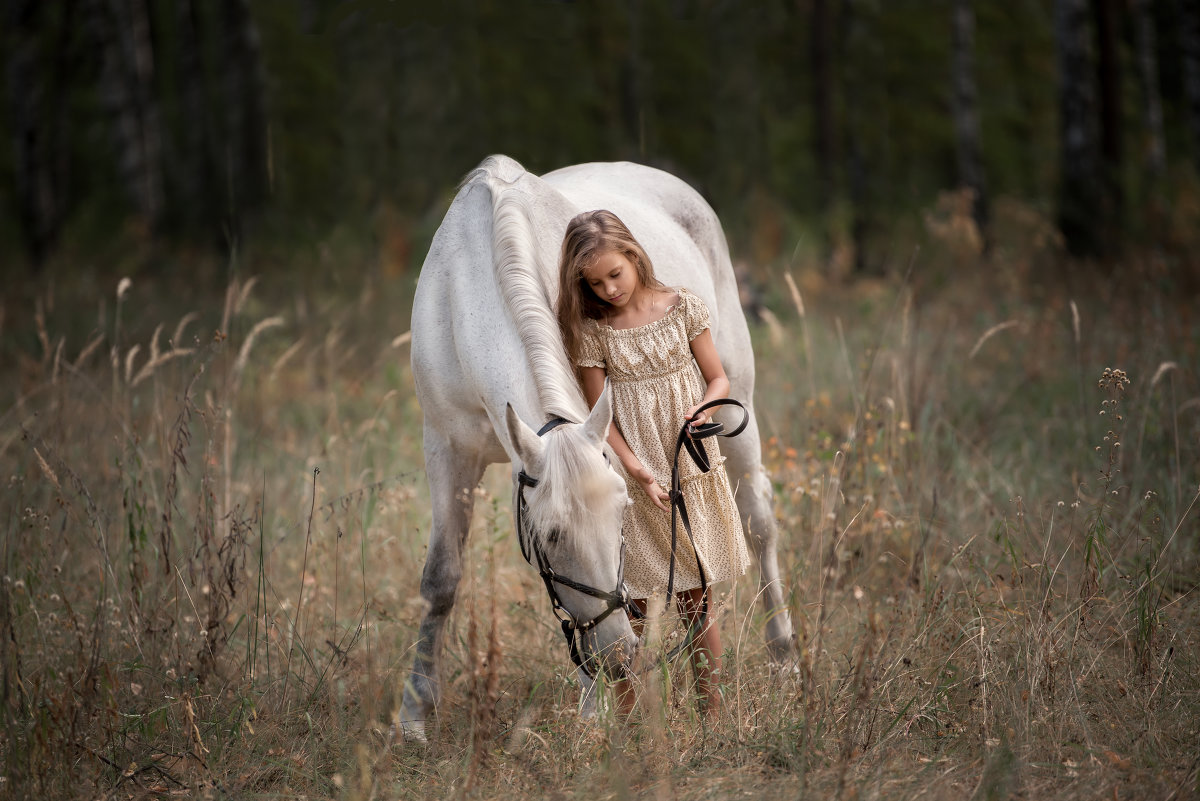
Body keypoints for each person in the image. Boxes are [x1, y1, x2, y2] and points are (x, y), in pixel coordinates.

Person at [555, 209, 750, 716]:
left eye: (615, 274)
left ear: (635, 256)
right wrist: (632, 467)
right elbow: (601, 416)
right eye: (594, 283)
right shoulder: (596, 331)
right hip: (636, 470)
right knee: (634, 603)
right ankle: (631, 719)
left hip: (686, 457)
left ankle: (714, 711)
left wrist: (703, 407)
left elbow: (719, 379)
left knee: (696, 596)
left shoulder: (682, 307)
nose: (609, 290)